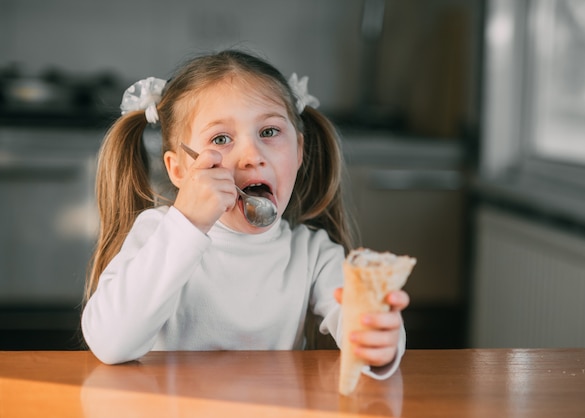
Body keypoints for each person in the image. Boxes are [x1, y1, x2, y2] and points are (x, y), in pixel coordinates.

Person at [81, 50, 410, 381]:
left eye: (268, 132)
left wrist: (377, 341)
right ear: (179, 170)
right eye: (221, 139)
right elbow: (111, 343)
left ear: (298, 151)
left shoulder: (314, 255)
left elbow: (357, 322)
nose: (252, 156)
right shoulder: (159, 234)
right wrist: (188, 223)